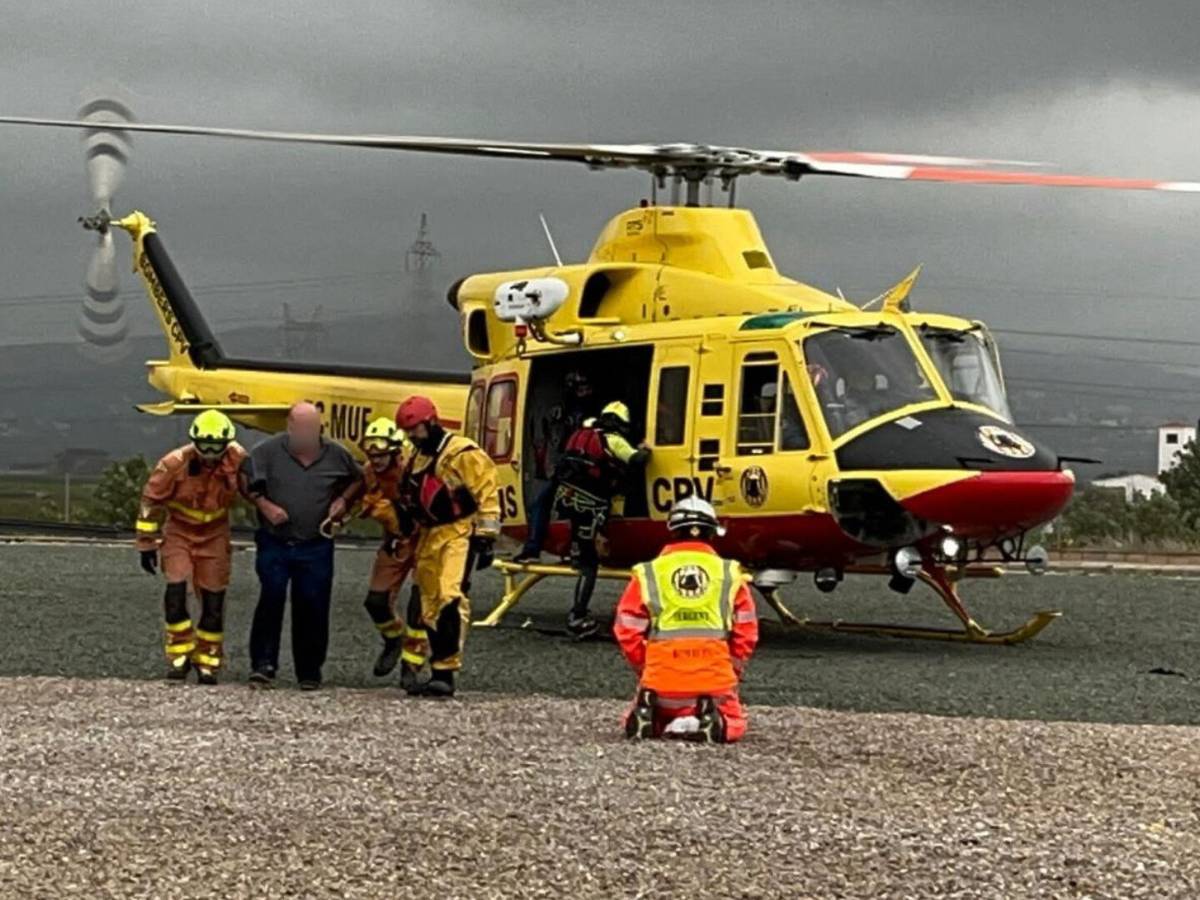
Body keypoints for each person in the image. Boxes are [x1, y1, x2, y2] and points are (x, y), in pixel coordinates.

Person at [613, 496, 759, 743]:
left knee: (659, 705)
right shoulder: (729, 573)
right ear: (712, 533)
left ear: (672, 532)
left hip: (661, 682)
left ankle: (650, 713)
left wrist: (645, 667)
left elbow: (626, 630)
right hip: (714, 682)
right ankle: (714, 721)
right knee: (735, 723)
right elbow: (747, 632)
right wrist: (731, 669)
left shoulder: (649, 572)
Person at [242, 401, 361, 690]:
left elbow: (359, 479)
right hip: (276, 540)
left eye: (314, 428)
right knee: (271, 596)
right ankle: (264, 664)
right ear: (290, 427)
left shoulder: (337, 455)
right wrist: (264, 505)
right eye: (303, 428)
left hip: (316, 544)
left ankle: (309, 670)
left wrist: (343, 502)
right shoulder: (265, 453)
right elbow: (245, 480)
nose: (308, 434)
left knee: (313, 603)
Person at [393, 395, 500, 698]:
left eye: (414, 429)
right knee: (428, 605)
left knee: (449, 597)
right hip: (429, 536)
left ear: (431, 422)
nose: (411, 436)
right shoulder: (415, 456)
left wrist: (486, 538)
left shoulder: (462, 453)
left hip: (458, 533)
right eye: (407, 431)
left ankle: (446, 672)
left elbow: (487, 491)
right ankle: (437, 667)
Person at [136, 410, 248, 685]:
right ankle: (179, 653)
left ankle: (208, 660)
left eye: (216, 447)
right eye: (204, 446)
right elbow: (150, 502)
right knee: (175, 594)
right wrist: (146, 544)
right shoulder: (174, 464)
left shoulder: (238, 461)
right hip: (180, 533)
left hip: (215, 535)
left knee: (213, 601)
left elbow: (254, 491)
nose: (209, 453)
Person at [551, 401, 651, 638]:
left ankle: (578, 609)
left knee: (583, 555)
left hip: (567, 499)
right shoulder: (613, 440)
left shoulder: (581, 434)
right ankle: (577, 616)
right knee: (589, 565)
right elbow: (636, 460)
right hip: (590, 504)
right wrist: (646, 448)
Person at [513, 371, 597, 563]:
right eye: (580, 389)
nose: (584, 392)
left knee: (576, 509)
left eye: (586, 389)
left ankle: (573, 550)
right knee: (542, 503)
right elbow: (558, 442)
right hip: (568, 468)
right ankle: (535, 548)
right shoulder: (566, 411)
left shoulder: (592, 413)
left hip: (585, 470)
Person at [355, 416, 415, 677]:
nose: (376, 460)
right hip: (395, 541)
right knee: (376, 601)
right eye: (371, 454)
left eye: (381, 455)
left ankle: (412, 665)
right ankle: (394, 639)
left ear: (395, 451)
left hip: (424, 539)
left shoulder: (413, 468)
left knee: (423, 606)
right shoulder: (369, 472)